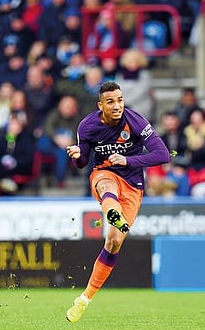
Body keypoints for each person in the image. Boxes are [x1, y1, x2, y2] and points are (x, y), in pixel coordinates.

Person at [65, 81, 170, 322]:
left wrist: (128, 160)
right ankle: (112, 211)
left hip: (133, 186)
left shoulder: (136, 121)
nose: (117, 105)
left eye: (120, 100)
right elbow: (83, 161)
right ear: (100, 105)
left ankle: (84, 299)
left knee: (113, 242)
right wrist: (78, 155)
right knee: (106, 184)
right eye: (110, 101)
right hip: (104, 175)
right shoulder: (87, 126)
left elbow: (162, 154)